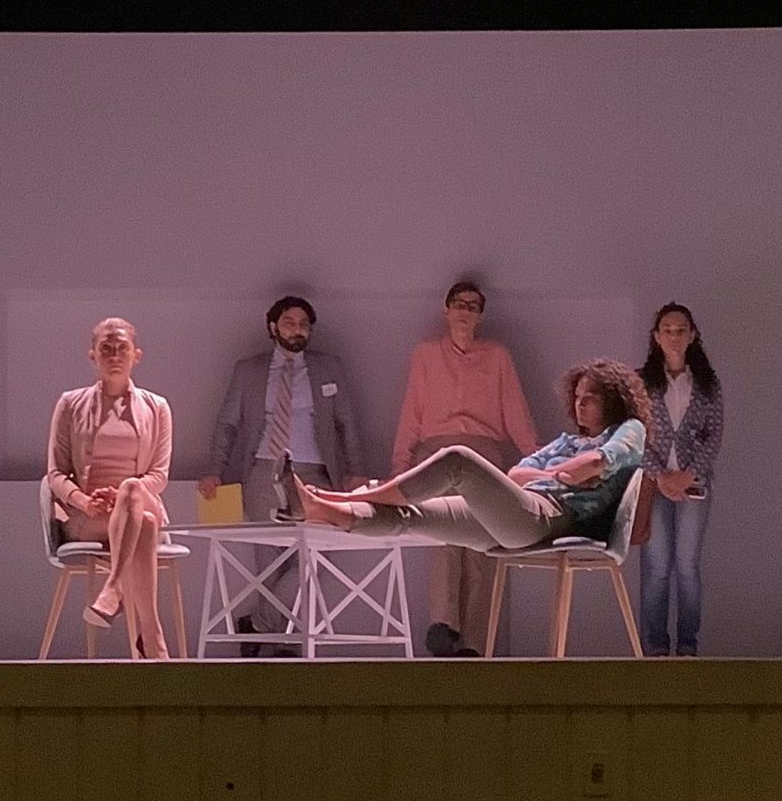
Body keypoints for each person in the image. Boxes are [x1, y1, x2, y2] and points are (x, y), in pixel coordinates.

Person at [292, 360, 649, 568]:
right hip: (516, 515)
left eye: (590, 399)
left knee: (458, 460)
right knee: (412, 515)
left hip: (548, 519)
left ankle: (361, 495)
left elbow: (596, 461)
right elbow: (516, 475)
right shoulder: (566, 442)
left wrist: (566, 473)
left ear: (612, 401)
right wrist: (559, 474)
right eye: (577, 397)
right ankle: (324, 510)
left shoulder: (629, 429)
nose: (579, 405)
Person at [199, 295, 367, 656]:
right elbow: (227, 423)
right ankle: (283, 645)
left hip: (315, 474)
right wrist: (215, 470)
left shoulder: (327, 368)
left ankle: (260, 624)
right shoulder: (249, 371)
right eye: (290, 322)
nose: (297, 330)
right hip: (264, 470)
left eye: (304, 324)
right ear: (273, 327)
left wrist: (355, 471)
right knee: (270, 560)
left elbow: (347, 423)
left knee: (318, 554)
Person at [391, 279, 540, 656]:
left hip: (484, 455)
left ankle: (475, 643)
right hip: (435, 454)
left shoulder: (497, 356)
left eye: (472, 306)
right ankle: (444, 625)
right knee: (444, 535)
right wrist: (400, 468)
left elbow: (516, 412)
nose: (465, 311)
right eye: (459, 304)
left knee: (482, 545)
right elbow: (412, 412)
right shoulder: (426, 355)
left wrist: (538, 464)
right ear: (446, 310)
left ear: (480, 316)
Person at [45, 317, 177, 659]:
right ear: (93, 355)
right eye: (106, 348)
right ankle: (151, 637)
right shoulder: (70, 404)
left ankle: (115, 588)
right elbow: (55, 473)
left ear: (136, 355)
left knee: (133, 491)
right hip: (90, 515)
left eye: (122, 348)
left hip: (139, 499)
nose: (114, 355)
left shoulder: (158, 407)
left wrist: (123, 496)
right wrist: (83, 501)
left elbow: (159, 475)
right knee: (144, 524)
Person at [638, 303, 724, 657]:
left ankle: (688, 646)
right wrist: (660, 476)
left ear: (692, 336)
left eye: (680, 330)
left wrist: (688, 474)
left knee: (687, 566)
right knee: (656, 566)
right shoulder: (641, 383)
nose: (674, 336)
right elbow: (632, 435)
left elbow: (713, 435)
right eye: (667, 330)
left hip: (694, 485)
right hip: (653, 484)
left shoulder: (707, 384)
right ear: (657, 337)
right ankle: (655, 647)